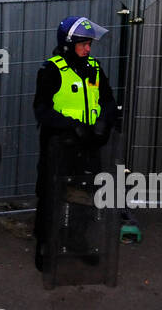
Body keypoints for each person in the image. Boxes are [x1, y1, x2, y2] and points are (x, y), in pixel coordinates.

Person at [32, 16, 117, 270]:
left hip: (90, 145)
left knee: (85, 194)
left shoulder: (94, 67)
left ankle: (77, 239)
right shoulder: (51, 70)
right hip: (60, 147)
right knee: (51, 195)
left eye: (89, 44)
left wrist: (104, 122)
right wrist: (71, 125)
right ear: (69, 44)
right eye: (83, 44)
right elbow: (41, 110)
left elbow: (109, 101)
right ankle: (46, 245)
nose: (88, 49)